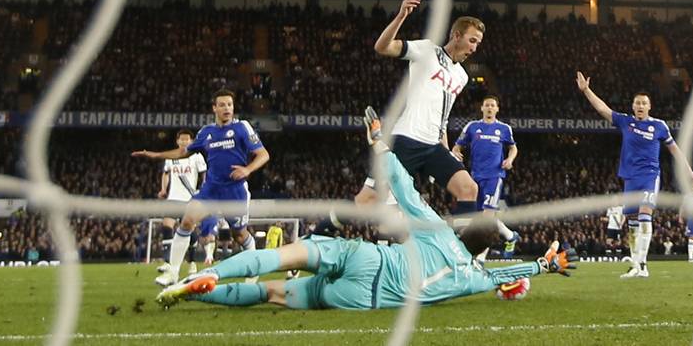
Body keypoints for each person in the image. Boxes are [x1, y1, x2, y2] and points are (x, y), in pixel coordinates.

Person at [157, 108, 578, 310]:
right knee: (270, 293)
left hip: (366, 258)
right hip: (362, 297)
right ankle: (204, 295)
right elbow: (501, 275)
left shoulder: (437, 229)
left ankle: (207, 274)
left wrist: (379, 142)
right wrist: (543, 267)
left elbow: (405, 188)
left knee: (278, 257)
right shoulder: (473, 277)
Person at [353, 0, 482, 221]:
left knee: (468, 189)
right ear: (456, 35)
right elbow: (382, 47)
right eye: (472, 40)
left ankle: (463, 252)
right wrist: (401, 15)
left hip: (433, 146)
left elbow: (442, 119)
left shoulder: (461, 76)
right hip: (406, 140)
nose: (475, 47)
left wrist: (448, 150)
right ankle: (323, 233)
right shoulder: (426, 51)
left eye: (478, 43)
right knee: (366, 202)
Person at [133, 88, 270, 286]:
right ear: (214, 108)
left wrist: (248, 169)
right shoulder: (206, 133)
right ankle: (173, 272)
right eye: (222, 105)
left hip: (235, 191)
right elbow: (182, 153)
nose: (227, 108)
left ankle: (254, 267)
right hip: (210, 190)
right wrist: (155, 155)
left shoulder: (242, 128)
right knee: (187, 220)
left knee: (239, 234)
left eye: (230, 105)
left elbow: (263, 154)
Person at [575, 71, 693, 279]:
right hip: (629, 178)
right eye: (637, 103)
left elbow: (675, 149)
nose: (640, 106)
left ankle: (642, 264)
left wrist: (689, 171)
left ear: (649, 106)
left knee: (645, 217)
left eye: (644, 103)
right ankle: (634, 264)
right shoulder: (626, 122)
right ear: (633, 106)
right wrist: (586, 90)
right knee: (631, 223)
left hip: (649, 176)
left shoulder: (659, 126)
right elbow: (603, 109)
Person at [452, 95, 520, 258]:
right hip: (474, 178)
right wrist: (455, 152)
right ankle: (510, 236)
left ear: (497, 109)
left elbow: (513, 148)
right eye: (487, 105)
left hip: (494, 177)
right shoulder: (472, 127)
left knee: (486, 217)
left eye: (492, 105)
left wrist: (509, 160)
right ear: (482, 108)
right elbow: (457, 146)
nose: (489, 108)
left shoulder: (504, 129)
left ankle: (480, 259)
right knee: (478, 217)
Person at [156, 129, 208, 280]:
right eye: (182, 139)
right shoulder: (171, 157)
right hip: (173, 197)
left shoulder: (196, 156)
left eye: (187, 139)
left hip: (189, 198)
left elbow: (204, 173)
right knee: (166, 225)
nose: (184, 142)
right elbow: (166, 173)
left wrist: (203, 189)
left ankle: (192, 262)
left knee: (189, 230)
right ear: (177, 141)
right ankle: (167, 261)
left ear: (192, 141)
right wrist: (163, 189)